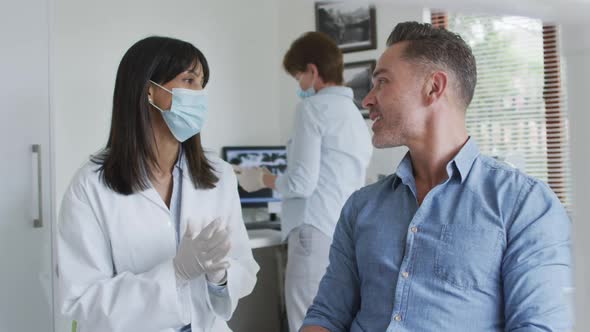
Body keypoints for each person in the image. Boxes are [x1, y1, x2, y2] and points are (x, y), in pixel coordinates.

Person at [301, 22, 573, 332]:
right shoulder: (361, 206)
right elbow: (326, 316)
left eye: (382, 82)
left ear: (434, 87)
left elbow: (538, 326)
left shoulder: (525, 205)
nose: (367, 100)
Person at [57, 36, 259, 332]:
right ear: (149, 90)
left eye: (201, 83)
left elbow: (244, 264)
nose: (199, 94)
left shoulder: (218, 175)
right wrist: (175, 273)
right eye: (189, 80)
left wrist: (220, 279)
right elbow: (82, 300)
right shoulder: (91, 186)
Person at [233, 32, 372, 332]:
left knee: (305, 321)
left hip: (314, 231)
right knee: (336, 319)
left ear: (312, 71)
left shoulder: (312, 109)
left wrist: (260, 178)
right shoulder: (354, 115)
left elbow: (301, 183)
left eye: (298, 77)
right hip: (345, 232)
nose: (300, 86)